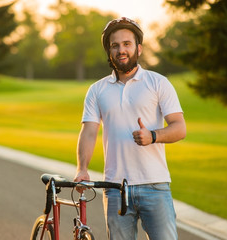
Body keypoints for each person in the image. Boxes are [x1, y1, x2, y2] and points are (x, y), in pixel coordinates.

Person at [74, 17, 186, 240]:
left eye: (127, 44)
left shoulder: (158, 83)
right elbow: (88, 132)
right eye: (114, 45)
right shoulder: (97, 90)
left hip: (154, 185)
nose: (121, 50)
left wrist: (153, 136)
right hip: (115, 188)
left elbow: (179, 128)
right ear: (109, 51)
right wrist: (81, 168)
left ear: (139, 48)